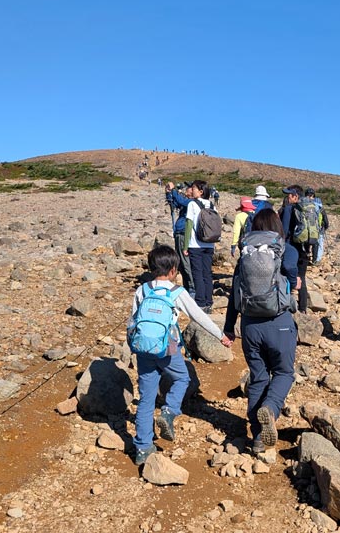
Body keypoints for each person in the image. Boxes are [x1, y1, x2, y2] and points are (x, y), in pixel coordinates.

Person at [128, 245, 232, 465]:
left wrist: (133, 345)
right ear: (174, 270)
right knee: (182, 378)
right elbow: (198, 317)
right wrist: (220, 335)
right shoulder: (177, 292)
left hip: (144, 349)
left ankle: (142, 449)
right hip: (168, 347)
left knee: (146, 398)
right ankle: (169, 411)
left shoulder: (142, 290)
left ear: (150, 267)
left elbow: (133, 322)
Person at [223, 209, 300, 455]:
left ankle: (257, 437)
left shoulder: (246, 252)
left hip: (249, 326)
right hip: (279, 323)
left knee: (258, 378)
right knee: (284, 372)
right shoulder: (286, 250)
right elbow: (294, 282)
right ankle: (271, 408)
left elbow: (234, 293)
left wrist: (229, 327)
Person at [182, 180, 217, 312]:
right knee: (207, 273)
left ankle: (200, 302)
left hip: (195, 244)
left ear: (201, 191)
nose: (192, 190)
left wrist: (185, 246)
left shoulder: (192, 204)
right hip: (209, 243)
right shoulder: (212, 205)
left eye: (194, 188)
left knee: (197, 272)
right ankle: (209, 300)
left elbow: (189, 225)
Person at [278, 185, 313, 313]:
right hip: (304, 248)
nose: (287, 197)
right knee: (301, 277)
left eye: (289, 194)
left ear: (295, 196)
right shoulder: (308, 210)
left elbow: (285, 230)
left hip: (290, 248)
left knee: (287, 274)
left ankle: (287, 303)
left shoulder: (288, 209)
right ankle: (303, 308)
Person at [164, 180, 196, 298]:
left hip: (183, 233)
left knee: (185, 262)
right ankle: (187, 287)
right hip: (179, 233)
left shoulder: (192, 202)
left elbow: (181, 201)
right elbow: (175, 204)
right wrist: (169, 193)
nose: (186, 189)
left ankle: (192, 288)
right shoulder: (187, 202)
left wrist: (173, 190)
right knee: (181, 263)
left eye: (189, 188)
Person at [304, 187, 330, 262]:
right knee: (318, 244)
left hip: (306, 229)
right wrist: (325, 227)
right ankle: (316, 260)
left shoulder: (303, 205)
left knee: (306, 243)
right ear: (313, 196)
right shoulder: (319, 206)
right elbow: (326, 220)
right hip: (318, 229)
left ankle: (305, 257)